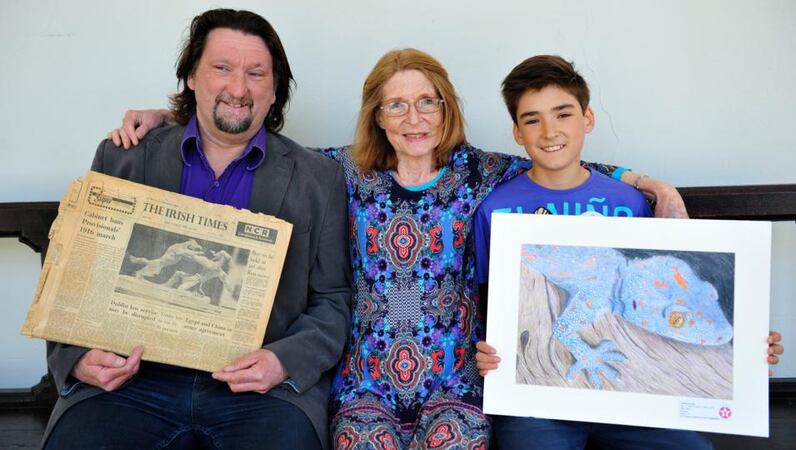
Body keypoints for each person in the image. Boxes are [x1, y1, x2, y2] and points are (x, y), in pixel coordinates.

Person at [113, 48, 697, 448]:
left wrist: (647, 182)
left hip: (456, 381)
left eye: (427, 102)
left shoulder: (481, 173)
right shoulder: (339, 171)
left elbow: (561, 161)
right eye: (396, 104)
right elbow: (247, 144)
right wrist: (172, 119)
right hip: (365, 381)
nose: (413, 118)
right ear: (377, 115)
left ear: (446, 108)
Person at [44, 9, 351, 450]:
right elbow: (74, 277)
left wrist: (282, 361)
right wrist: (75, 358)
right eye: (221, 68)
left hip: (259, 392)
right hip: (132, 382)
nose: (238, 89)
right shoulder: (124, 157)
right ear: (191, 76)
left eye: (256, 74)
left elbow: (333, 300)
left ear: (274, 90)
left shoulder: (319, 178)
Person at [474, 55, 784, 449]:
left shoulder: (628, 201)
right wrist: (486, 349)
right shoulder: (496, 209)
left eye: (563, 114)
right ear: (518, 133)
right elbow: (491, 304)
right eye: (533, 119)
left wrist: (750, 345)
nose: (550, 131)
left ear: (588, 118)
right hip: (538, 400)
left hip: (630, 403)